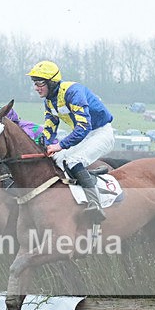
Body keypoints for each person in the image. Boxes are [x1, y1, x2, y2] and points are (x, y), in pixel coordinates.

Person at [27, 60, 115, 222]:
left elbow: (83, 126)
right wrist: (41, 145)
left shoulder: (73, 92)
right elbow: (50, 127)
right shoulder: (49, 100)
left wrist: (60, 145)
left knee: (73, 160)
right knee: (56, 160)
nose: (36, 87)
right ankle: (75, 188)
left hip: (101, 133)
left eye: (39, 83)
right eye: (34, 83)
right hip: (86, 135)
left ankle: (95, 204)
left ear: (52, 82)